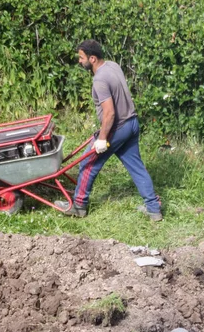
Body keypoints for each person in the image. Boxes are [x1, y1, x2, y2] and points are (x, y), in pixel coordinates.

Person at [54, 39, 163, 221]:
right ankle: (154, 209)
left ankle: (79, 206)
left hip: (118, 128)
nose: (79, 61)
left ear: (93, 58)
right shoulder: (113, 65)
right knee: (136, 167)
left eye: (82, 58)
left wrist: (103, 138)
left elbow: (110, 113)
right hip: (132, 123)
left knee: (88, 164)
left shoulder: (100, 80)